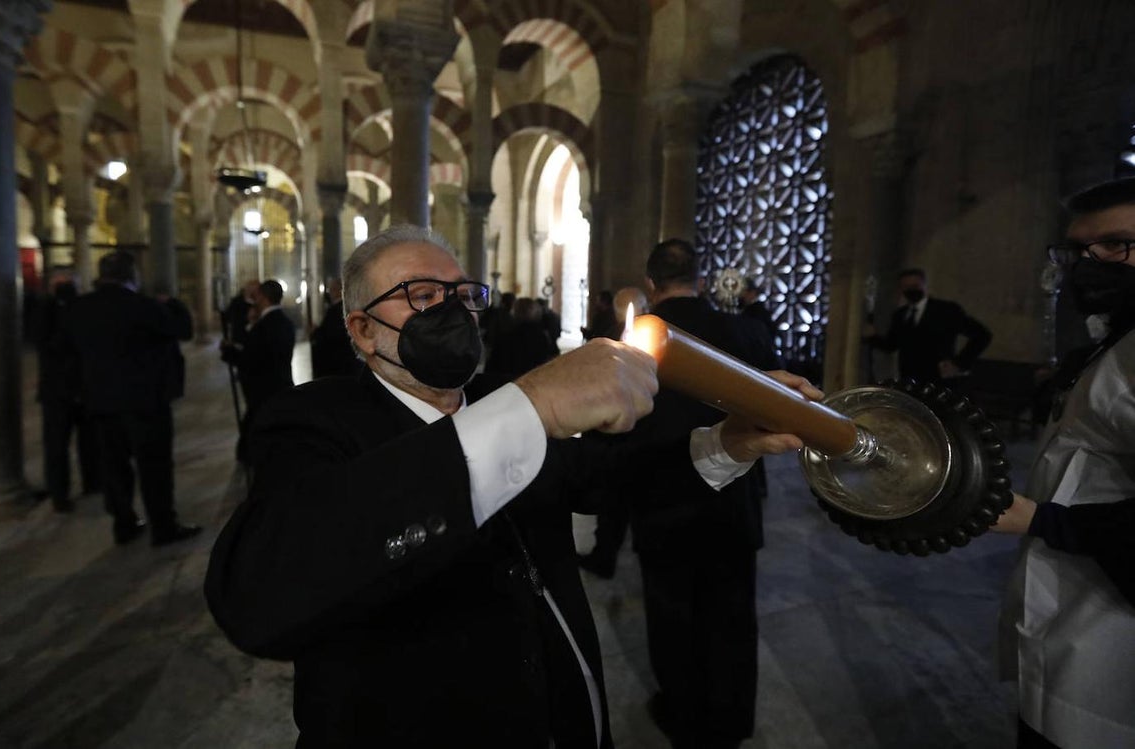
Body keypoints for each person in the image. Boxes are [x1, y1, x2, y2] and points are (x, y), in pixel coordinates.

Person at [204, 224, 819, 748]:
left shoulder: (498, 393)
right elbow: (264, 590)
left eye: (464, 295)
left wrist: (728, 441)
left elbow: (610, 478)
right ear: (363, 331)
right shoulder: (314, 420)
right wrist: (532, 407)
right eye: (421, 295)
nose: (453, 311)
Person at [992, 177, 1135, 749]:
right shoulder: (1115, 341)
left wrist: (1043, 521)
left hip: (1111, 645)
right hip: (1069, 615)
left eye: (1116, 245)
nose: (1089, 263)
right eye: (1078, 250)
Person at [625, 239, 782, 749]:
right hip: (733, 500)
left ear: (652, 283)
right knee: (732, 615)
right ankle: (733, 720)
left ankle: (684, 717)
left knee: (673, 617)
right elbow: (775, 370)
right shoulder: (741, 330)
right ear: (700, 277)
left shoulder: (633, 339)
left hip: (663, 497)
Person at [63, 251, 200, 546]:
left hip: (101, 403)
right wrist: (172, 303)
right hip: (145, 403)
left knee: (114, 467)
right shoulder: (142, 306)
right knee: (154, 466)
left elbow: (67, 354)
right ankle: (163, 526)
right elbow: (183, 330)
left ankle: (123, 524)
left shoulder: (79, 308)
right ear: (131, 275)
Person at [578, 286, 650, 579]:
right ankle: (606, 554)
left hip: (625, 437)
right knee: (615, 501)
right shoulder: (607, 341)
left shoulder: (606, 338)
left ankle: (607, 553)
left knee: (616, 501)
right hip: (623, 436)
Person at [32, 269, 101, 513]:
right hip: (57, 390)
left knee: (90, 440)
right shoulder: (45, 310)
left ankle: (93, 482)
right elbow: (46, 343)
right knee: (56, 444)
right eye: (61, 285)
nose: (66, 289)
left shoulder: (83, 308)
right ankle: (59, 493)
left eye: (69, 284)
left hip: (84, 386)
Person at [867, 267, 992, 383]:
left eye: (915, 286)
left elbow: (982, 335)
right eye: (906, 286)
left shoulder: (946, 310)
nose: (911, 290)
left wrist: (959, 363)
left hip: (938, 380)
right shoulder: (900, 315)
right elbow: (892, 345)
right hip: (909, 380)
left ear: (924, 286)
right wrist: (872, 337)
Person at [220, 279, 296, 464]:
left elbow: (250, 359)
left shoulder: (265, 326)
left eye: (257, 296)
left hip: (263, 389)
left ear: (263, 298)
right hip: (280, 384)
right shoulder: (285, 322)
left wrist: (228, 351)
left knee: (258, 432)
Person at [485, 296, 560, 382]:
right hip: (535, 383)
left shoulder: (505, 337)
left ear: (515, 312)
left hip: (509, 383)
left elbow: (492, 367)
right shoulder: (543, 337)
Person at [309, 278, 361, 378]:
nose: (330, 293)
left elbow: (330, 335)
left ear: (338, 290)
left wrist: (316, 332)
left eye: (331, 289)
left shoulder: (334, 311)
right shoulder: (351, 307)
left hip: (337, 363)